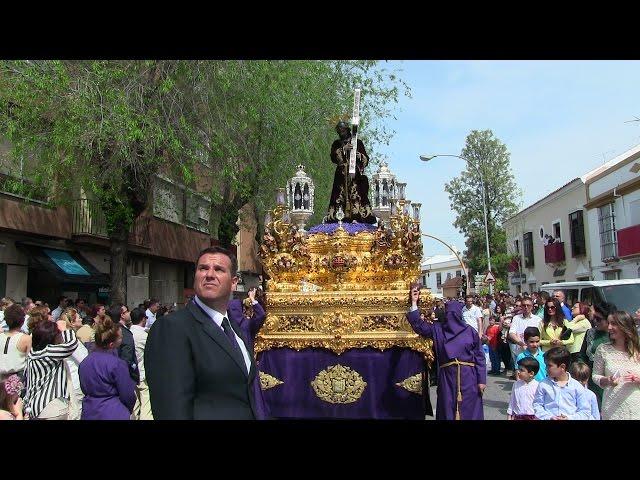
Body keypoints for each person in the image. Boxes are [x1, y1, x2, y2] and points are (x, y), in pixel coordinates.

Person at [145, 246, 262, 420]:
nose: (209, 274)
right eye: (203, 268)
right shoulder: (172, 328)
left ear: (234, 282)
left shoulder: (234, 329)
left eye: (219, 269)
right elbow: (171, 408)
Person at [406, 287, 485, 420]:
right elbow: (419, 326)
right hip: (447, 377)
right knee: (448, 407)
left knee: (469, 409)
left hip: (469, 377)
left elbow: (479, 356)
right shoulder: (439, 330)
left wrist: (481, 380)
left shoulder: (470, 331)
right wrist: (414, 303)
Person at [79, 316, 137, 420]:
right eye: (120, 337)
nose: (122, 339)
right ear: (111, 344)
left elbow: (84, 388)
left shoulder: (85, 362)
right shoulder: (117, 364)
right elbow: (127, 394)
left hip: (90, 410)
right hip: (113, 411)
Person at [228, 287, 270, 419]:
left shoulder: (233, 327)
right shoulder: (245, 325)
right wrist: (253, 300)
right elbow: (261, 315)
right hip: (245, 371)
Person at [24, 319, 78, 420]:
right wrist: (65, 329)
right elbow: (71, 345)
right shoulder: (49, 352)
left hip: (35, 407)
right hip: (52, 406)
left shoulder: (32, 353)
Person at [324, 120, 376, 224]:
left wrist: (359, 156)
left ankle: (357, 216)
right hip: (341, 174)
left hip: (354, 174)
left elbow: (366, 159)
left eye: (343, 130)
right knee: (339, 195)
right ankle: (339, 216)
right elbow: (333, 157)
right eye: (339, 131)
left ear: (347, 129)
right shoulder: (336, 143)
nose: (341, 133)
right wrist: (343, 149)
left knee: (357, 193)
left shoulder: (357, 142)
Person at [591, 311, 640, 420]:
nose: (609, 327)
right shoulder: (603, 349)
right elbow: (595, 376)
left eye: (613, 324)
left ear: (624, 326)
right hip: (612, 408)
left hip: (636, 408)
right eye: (608, 323)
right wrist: (607, 380)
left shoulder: (638, 350)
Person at [532, 346, 592, 420]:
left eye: (549, 366)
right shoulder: (543, 385)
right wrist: (549, 417)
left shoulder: (576, 386)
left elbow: (585, 411)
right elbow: (537, 405)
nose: (546, 368)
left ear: (562, 367)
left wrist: (569, 418)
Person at [58, 307, 89, 420]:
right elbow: (84, 360)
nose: (81, 319)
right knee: (76, 413)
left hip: (70, 382)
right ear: (72, 322)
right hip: (75, 382)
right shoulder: (70, 339)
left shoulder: (64, 337)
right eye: (79, 317)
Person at [508, 298, 541, 377]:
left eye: (528, 305)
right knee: (520, 374)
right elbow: (511, 333)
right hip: (520, 350)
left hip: (534, 350)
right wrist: (521, 344)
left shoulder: (538, 319)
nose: (526, 307)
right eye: (524, 305)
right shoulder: (516, 318)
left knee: (535, 373)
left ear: (532, 306)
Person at [129, 307, 153, 420]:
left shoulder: (127, 333)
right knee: (146, 406)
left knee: (134, 406)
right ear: (143, 319)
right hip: (142, 374)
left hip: (130, 374)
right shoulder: (144, 336)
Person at [108, 304, 139, 385]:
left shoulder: (109, 330)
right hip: (123, 378)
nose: (130, 313)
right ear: (122, 315)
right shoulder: (124, 332)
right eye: (127, 311)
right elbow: (126, 359)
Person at [0, 304, 31, 382]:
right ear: (22, 321)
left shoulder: (1, 336)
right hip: (17, 379)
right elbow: (29, 361)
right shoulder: (26, 338)